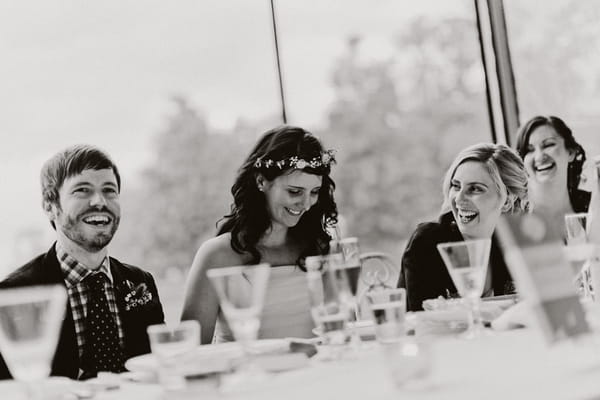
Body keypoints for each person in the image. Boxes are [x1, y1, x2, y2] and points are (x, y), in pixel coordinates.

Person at [0, 145, 164, 380]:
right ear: (50, 206)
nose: (100, 201)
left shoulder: (140, 282)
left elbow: (159, 368)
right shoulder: (14, 296)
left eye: (109, 190)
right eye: (82, 190)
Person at [181, 125, 338, 344]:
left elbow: (342, 333)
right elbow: (192, 352)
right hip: (248, 376)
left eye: (314, 192)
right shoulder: (217, 255)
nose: (306, 204)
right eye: (294, 191)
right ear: (261, 181)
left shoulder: (321, 248)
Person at [398, 143, 528, 311]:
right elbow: (425, 322)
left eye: (475, 189)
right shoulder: (428, 243)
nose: (459, 199)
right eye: (456, 186)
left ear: (507, 200)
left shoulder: (512, 245)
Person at [515, 115, 590, 239]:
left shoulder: (592, 206)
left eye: (548, 145)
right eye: (529, 150)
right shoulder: (516, 221)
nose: (539, 157)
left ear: (571, 152)